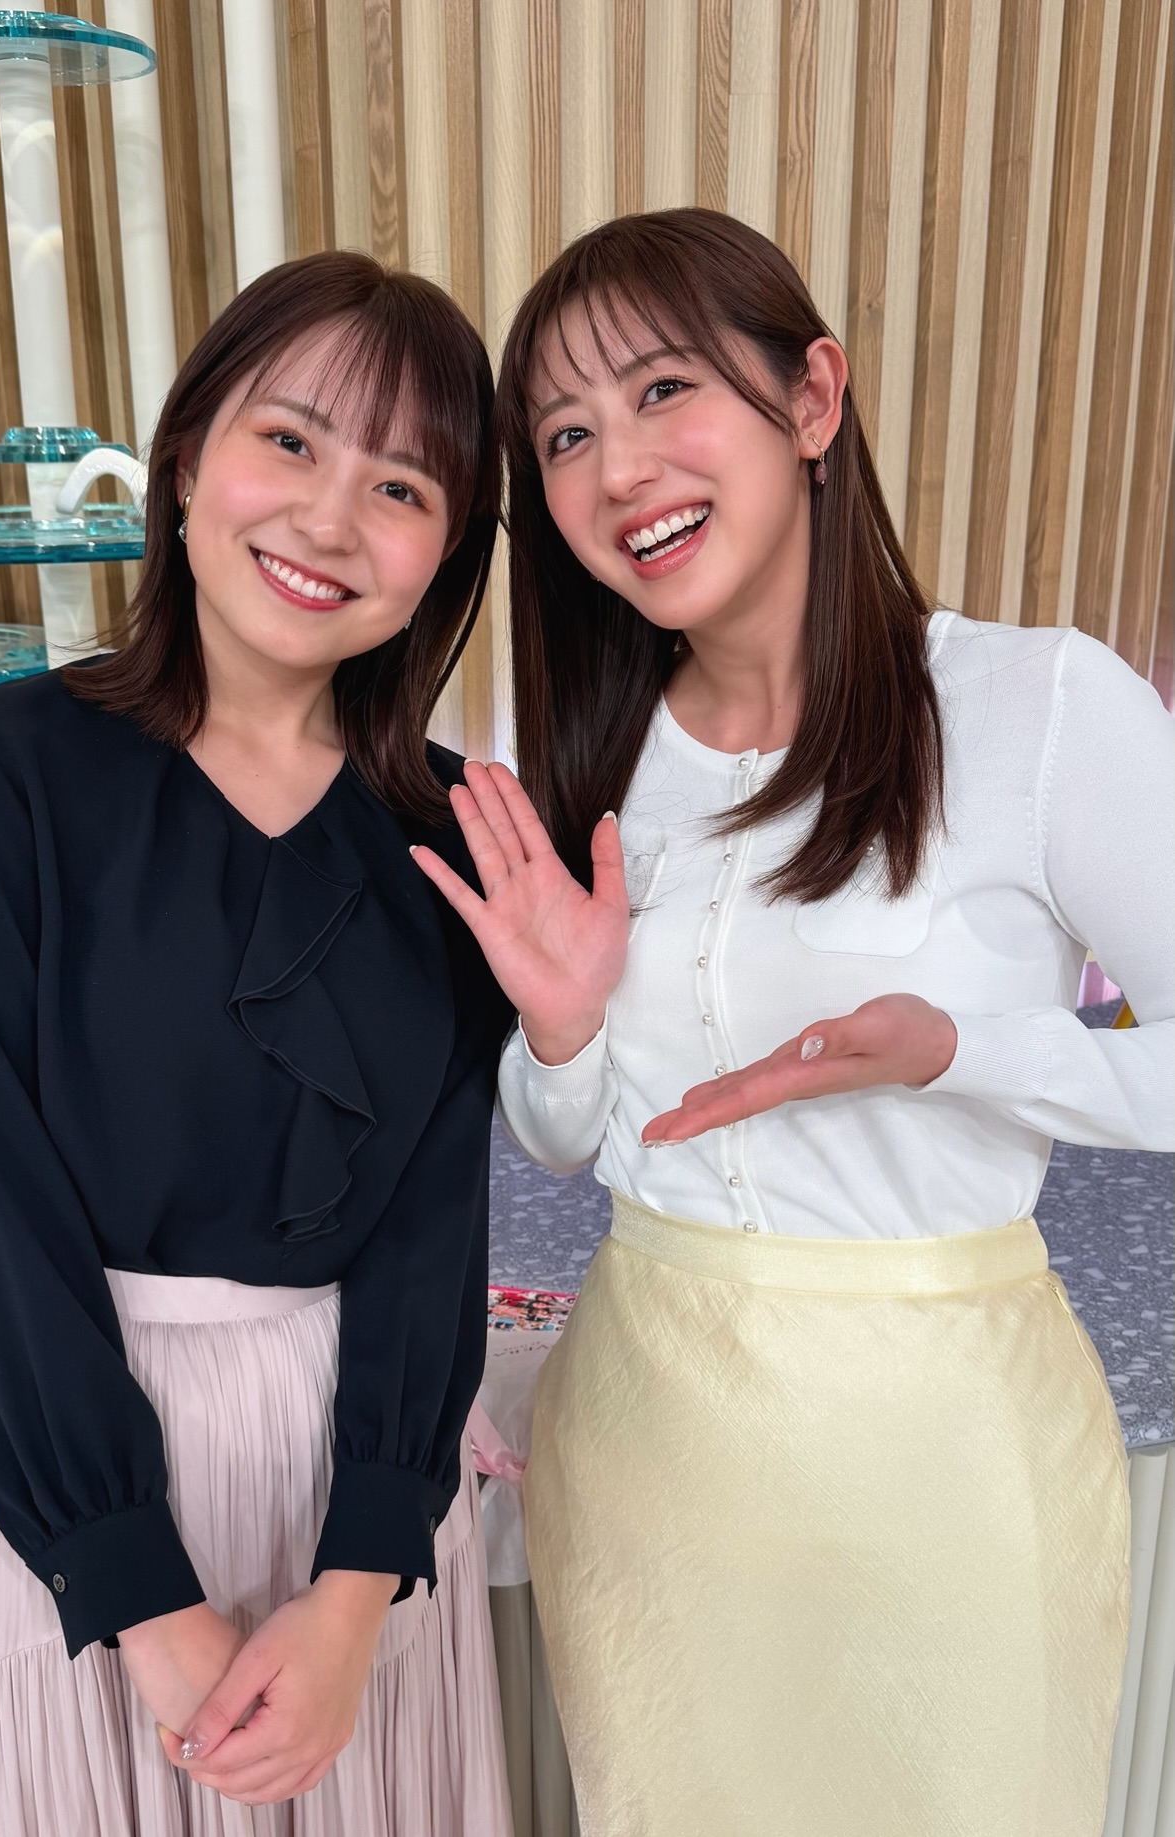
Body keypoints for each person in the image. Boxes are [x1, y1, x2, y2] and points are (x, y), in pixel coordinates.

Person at [410, 208, 1174, 1837]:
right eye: (564, 434)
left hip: (945, 1468)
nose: (619, 468)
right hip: (649, 1453)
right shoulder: (585, 758)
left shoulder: (1035, 707)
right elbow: (567, 1140)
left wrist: (960, 1052)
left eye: (662, 390)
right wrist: (559, 1030)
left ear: (810, 400)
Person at [0, 249, 515, 1836]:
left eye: (401, 486)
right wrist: (137, 1592)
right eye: (287, 440)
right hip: (46, 1489)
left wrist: (359, 1584)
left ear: (446, 553)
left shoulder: (457, 831)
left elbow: (433, 1223)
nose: (328, 519)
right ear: (182, 461)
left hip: (340, 1511)